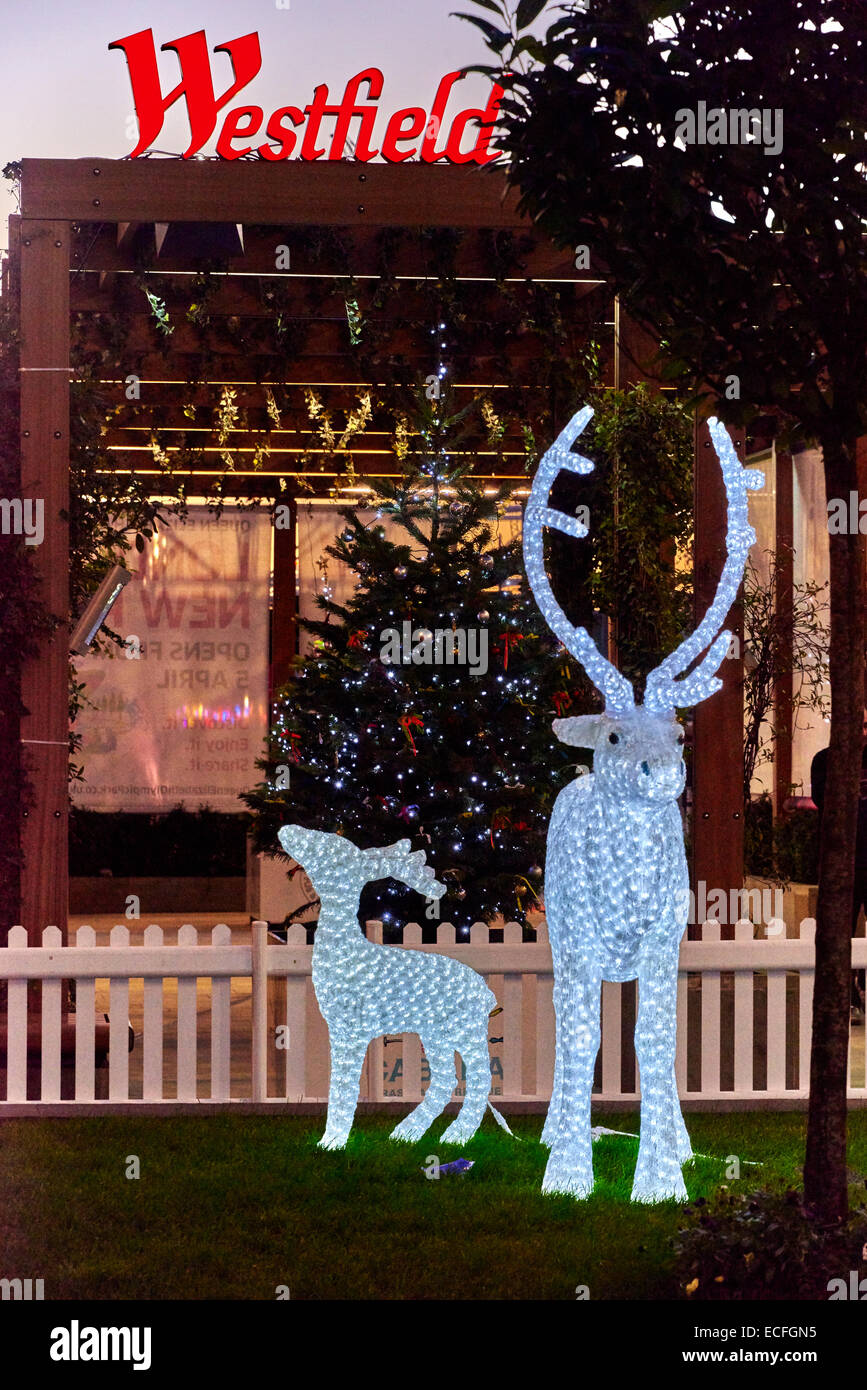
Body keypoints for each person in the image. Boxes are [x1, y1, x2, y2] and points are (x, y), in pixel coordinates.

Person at [810, 709, 867, 1020]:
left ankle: (861, 988)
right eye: (856, 724)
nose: (860, 731)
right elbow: (823, 801)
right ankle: (845, 996)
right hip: (842, 861)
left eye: (865, 725)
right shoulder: (824, 760)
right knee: (840, 930)